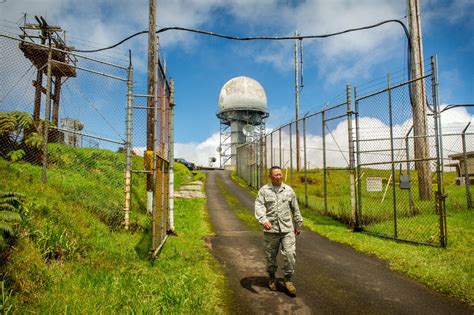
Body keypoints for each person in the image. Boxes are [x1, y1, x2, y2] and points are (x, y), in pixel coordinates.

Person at [254, 165, 303, 294]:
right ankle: (271, 277)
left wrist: (298, 225)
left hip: (287, 229)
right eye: (276, 174)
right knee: (270, 257)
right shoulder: (264, 191)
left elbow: (295, 209)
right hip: (271, 231)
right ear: (270, 176)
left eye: (280, 174)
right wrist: (264, 220)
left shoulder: (289, 191)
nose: (279, 176)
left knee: (290, 255)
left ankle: (288, 279)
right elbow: (259, 206)